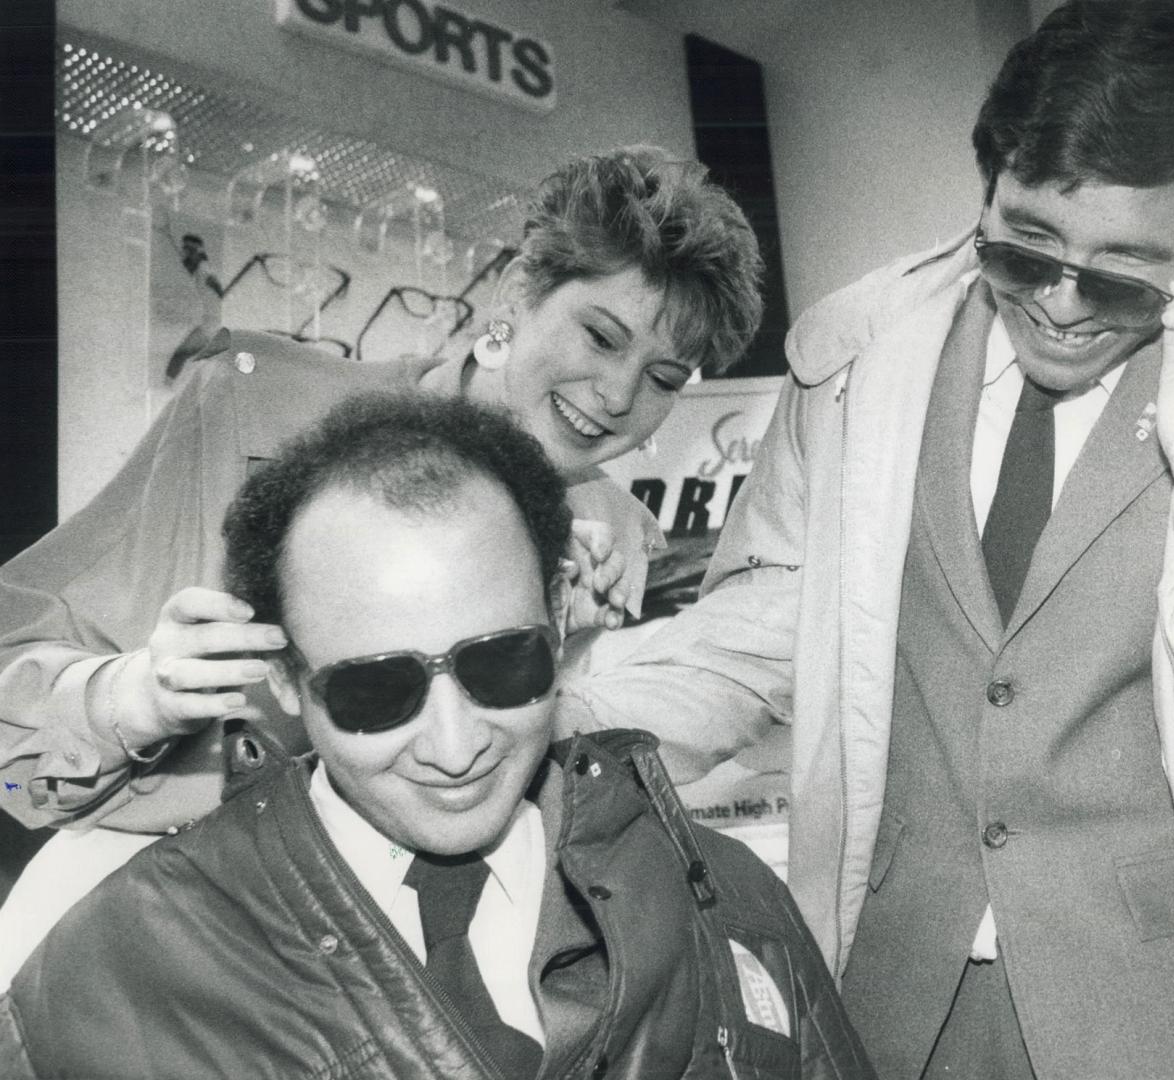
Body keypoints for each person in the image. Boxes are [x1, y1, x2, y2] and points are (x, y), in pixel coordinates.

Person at [556, 4, 1174, 1078]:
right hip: (888, 1000)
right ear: (987, 187)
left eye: (1122, 277)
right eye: (1025, 246)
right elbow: (761, 635)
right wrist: (537, 699)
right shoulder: (856, 364)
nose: (1060, 305)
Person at [0, 393, 873, 1080]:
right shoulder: (113, 981)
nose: (456, 748)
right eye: (377, 689)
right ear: (282, 677)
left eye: (503, 665)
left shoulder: (730, 903)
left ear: (560, 616)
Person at [0, 144, 762, 835]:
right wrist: (127, 697)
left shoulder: (617, 536)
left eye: (663, 378)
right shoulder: (254, 408)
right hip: (168, 903)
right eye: (600, 337)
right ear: (519, 292)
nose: (619, 396)